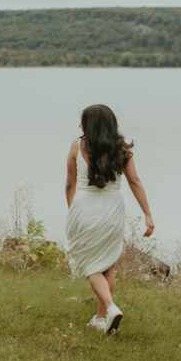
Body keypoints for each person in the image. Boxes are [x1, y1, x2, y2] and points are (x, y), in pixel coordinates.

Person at [64, 104, 154, 334]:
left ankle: (111, 308)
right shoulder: (122, 149)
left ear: (90, 124)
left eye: (82, 121)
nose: (79, 125)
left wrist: (72, 209)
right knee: (107, 264)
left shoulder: (77, 145)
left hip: (84, 206)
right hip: (113, 210)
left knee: (90, 266)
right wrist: (147, 214)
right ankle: (100, 318)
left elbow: (69, 183)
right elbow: (134, 181)